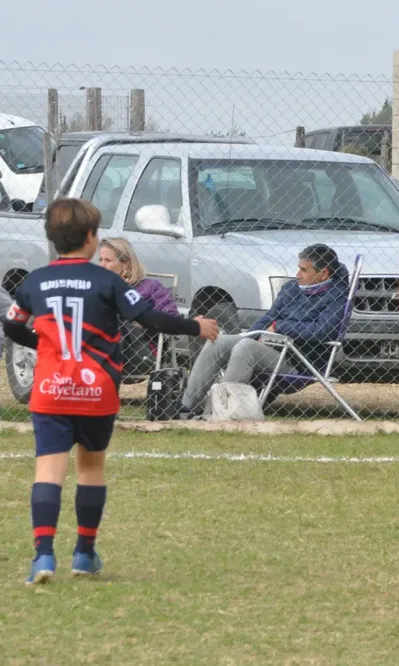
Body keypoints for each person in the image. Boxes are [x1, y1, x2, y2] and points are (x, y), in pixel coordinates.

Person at [2, 198, 218, 584]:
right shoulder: (108, 281)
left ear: (53, 240)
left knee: (49, 468)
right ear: (89, 237)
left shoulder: (34, 281)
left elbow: (13, 326)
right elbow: (149, 317)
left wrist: (46, 344)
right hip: (95, 390)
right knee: (90, 467)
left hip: (51, 389)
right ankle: (84, 554)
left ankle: (43, 556)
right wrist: (194, 326)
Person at [179, 244, 349, 417]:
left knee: (246, 348)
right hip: (272, 348)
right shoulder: (291, 289)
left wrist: (280, 326)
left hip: (297, 360)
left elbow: (323, 331)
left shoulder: (337, 297)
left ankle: (222, 412)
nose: (298, 275)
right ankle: (186, 407)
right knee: (219, 342)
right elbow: (269, 317)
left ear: (324, 274)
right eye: (299, 269)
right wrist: (251, 334)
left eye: (304, 270)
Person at [98, 237, 180, 374]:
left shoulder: (151, 288)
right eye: (100, 260)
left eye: (108, 260)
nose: (102, 265)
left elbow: (172, 318)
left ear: (126, 265)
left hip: (136, 353)